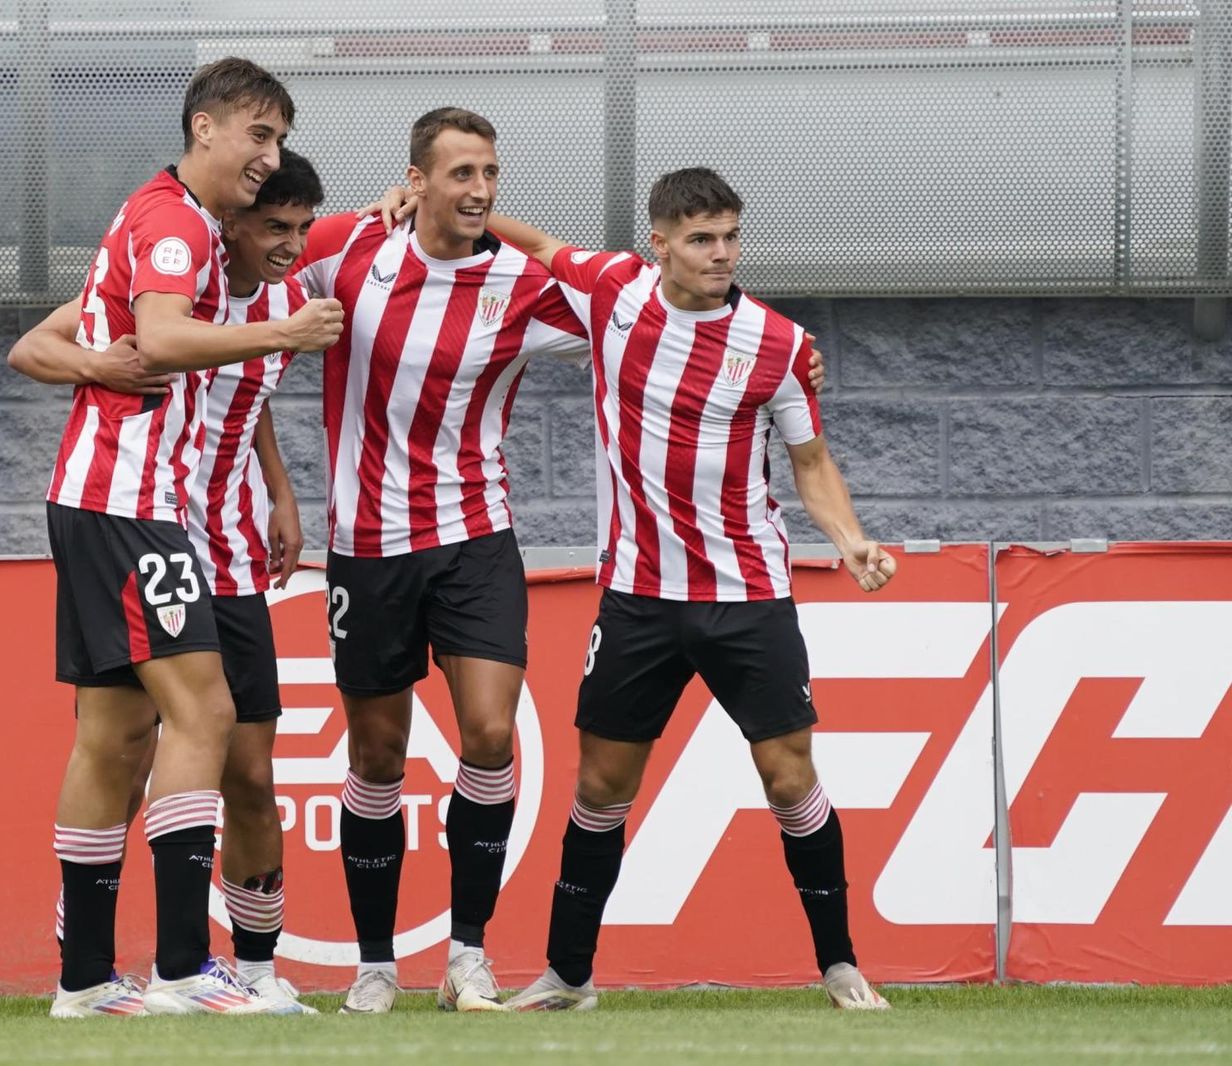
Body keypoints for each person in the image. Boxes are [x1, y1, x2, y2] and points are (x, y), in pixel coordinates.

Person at [468, 168, 893, 1011]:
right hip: (638, 597)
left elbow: (811, 461)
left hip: (748, 594)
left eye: (731, 237)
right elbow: (542, 247)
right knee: (600, 788)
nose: (721, 254)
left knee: (788, 776)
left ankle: (842, 965)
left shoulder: (777, 343)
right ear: (657, 243)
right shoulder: (613, 292)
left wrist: (850, 540)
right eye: (701, 239)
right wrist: (457, 209)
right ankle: (568, 976)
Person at [25, 57, 342, 1018]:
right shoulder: (174, 226)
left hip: (111, 503)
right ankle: (180, 967)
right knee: (204, 717)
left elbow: (127, 334)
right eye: (257, 136)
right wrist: (283, 338)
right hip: (131, 505)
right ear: (204, 127)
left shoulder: (188, 223)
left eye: (278, 141)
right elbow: (160, 338)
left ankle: (82, 983)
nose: (267, 157)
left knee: (115, 735)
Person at [286, 107, 604, 1014]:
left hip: (476, 537)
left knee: (492, 735)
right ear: (416, 179)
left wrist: (786, 356)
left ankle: (468, 954)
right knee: (379, 755)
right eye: (461, 173)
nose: (480, 190)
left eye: (490, 173)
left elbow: (641, 312)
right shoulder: (354, 251)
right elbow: (254, 255)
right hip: (369, 547)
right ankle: (376, 964)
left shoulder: (521, 282)